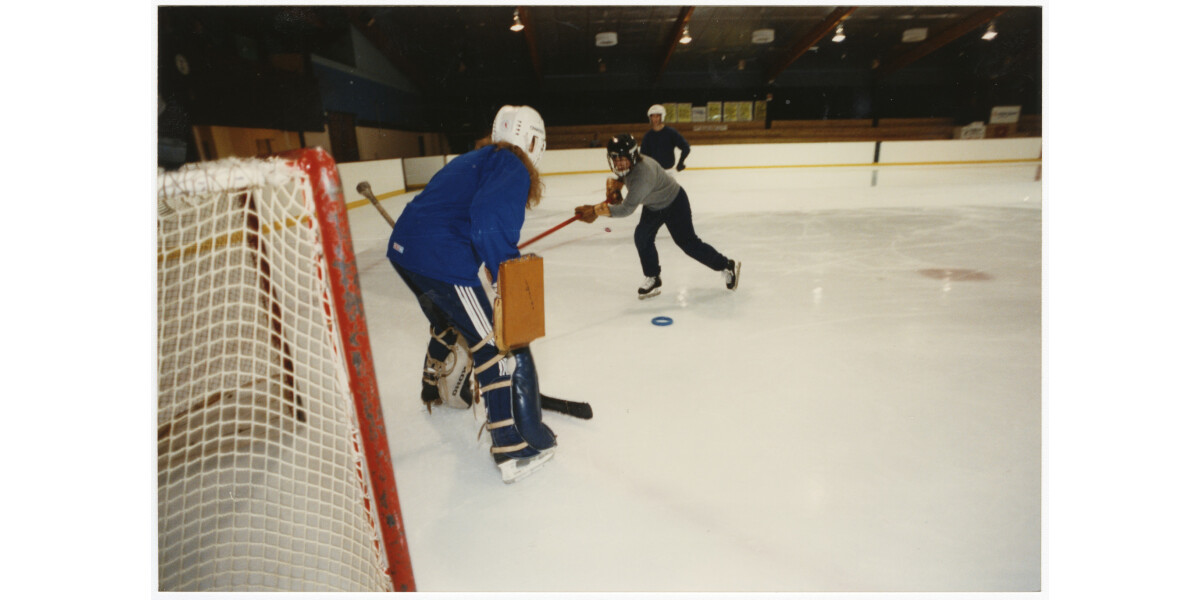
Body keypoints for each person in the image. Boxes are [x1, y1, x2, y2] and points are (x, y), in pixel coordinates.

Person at [387, 105, 556, 484]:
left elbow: (457, 212)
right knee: (494, 347)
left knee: (448, 319)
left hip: (405, 251)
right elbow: (487, 225)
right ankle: (513, 450)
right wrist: (504, 274)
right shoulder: (512, 166)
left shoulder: (479, 158)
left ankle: (433, 388)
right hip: (440, 258)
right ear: (533, 141)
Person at [574, 134, 740, 299]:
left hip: (674, 203)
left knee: (688, 244)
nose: (618, 163)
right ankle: (653, 277)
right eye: (615, 159)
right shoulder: (631, 165)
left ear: (632, 156)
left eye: (622, 159)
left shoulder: (643, 176)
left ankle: (726, 265)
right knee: (642, 237)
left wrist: (597, 210)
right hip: (654, 206)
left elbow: (626, 209)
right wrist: (618, 185)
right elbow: (625, 178)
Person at [640, 104, 690, 172]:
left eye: (657, 116)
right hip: (653, 172)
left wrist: (681, 162)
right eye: (653, 116)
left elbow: (686, 147)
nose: (655, 119)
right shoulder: (648, 136)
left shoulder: (670, 133)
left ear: (662, 117)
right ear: (650, 118)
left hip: (668, 171)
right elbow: (643, 156)